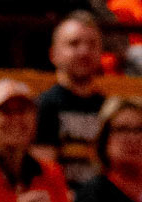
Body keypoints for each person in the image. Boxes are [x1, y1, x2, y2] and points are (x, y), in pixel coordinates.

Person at [34, 14, 108, 190]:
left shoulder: (110, 109)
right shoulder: (42, 107)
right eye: (74, 44)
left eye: (92, 45)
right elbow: (43, 174)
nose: (84, 52)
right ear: (53, 54)